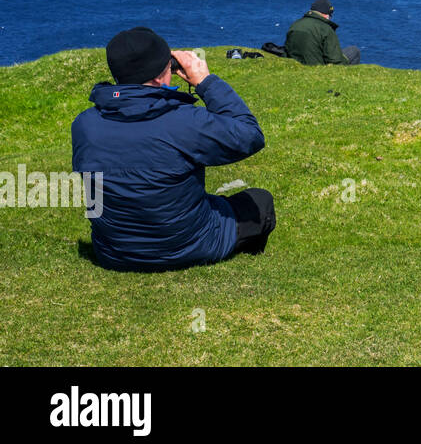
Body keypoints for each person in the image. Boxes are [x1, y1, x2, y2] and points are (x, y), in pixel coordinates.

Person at [70, 27, 275, 272]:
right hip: (187, 246)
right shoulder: (184, 120)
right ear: (159, 78)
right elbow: (250, 135)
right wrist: (205, 82)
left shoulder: (84, 125)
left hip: (114, 252)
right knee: (259, 201)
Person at [284, 0, 360, 65]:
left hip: (298, 66)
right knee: (354, 51)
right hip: (317, 68)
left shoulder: (295, 24)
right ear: (326, 15)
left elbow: (286, 51)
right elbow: (335, 60)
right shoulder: (326, 29)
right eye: (330, 15)